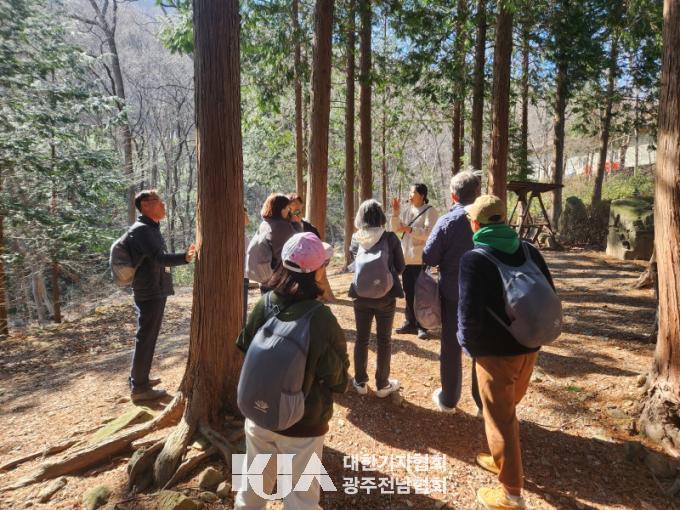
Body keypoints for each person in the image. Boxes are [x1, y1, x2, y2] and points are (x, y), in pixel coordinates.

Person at [235, 232, 349, 510]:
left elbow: (244, 345)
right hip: (304, 423)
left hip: (258, 416)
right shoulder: (320, 318)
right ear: (317, 272)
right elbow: (338, 380)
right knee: (301, 499)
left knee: (251, 489)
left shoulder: (265, 303)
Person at [458, 195, 555, 510]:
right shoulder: (528, 250)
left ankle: (511, 494)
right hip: (529, 345)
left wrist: (471, 348)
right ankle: (500, 457)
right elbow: (548, 291)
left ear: (476, 224)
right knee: (508, 408)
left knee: (500, 419)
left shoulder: (474, 259)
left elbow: (467, 314)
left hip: (494, 354)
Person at [126, 190, 195, 403]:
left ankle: (140, 379)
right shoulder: (142, 230)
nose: (164, 205)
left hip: (154, 288)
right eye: (159, 201)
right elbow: (159, 258)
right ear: (145, 205)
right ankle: (139, 387)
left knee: (148, 336)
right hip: (149, 291)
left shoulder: (150, 228)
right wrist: (185, 257)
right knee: (145, 337)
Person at [422, 171, 482, 413]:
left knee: (451, 345)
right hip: (484, 294)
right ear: (477, 193)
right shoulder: (489, 218)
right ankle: (483, 403)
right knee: (482, 346)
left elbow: (429, 256)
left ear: (453, 196)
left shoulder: (447, 221)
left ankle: (449, 399)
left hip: (453, 294)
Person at [349, 199, 405, 398]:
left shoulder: (356, 238)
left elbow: (354, 265)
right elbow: (401, 266)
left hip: (360, 295)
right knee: (384, 340)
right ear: (380, 216)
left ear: (361, 216)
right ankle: (382, 384)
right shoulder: (390, 238)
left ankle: (360, 382)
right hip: (385, 296)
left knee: (361, 338)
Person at [391, 183, 439, 339]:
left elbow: (429, 234)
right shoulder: (407, 211)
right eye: (410, 192)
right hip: (406, 259)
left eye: (412, 192)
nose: (410, 195)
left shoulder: (430, 211)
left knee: (421, 293)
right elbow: (396, 229)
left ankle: (422, 326)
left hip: (420, 259)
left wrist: (410, 229)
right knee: (409, 291)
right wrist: (395, 213)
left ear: (422, 195)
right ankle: (410, 322)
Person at [250, 193, 296, 294]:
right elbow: (286, 255)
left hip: (264, 277)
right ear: (281, 209)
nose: (289, 211)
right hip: (279, 282)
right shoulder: (282, 226)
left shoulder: (265, 223)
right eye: (287, 207)